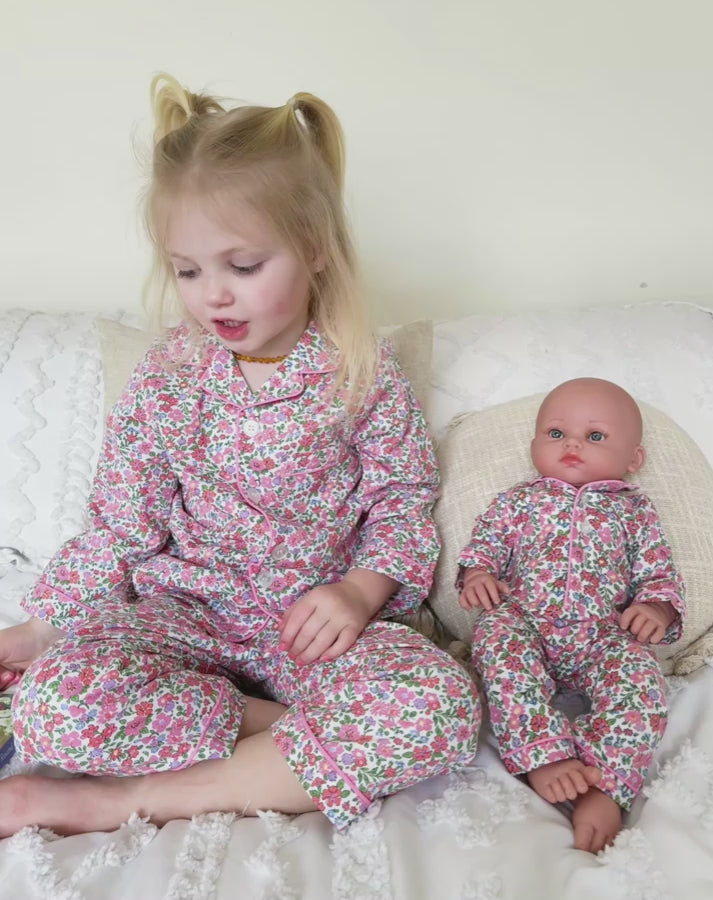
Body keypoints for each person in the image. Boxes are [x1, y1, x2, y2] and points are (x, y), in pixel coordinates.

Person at [0, 73, 480, 837]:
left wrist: (357, 593)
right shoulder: (170, 375)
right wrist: (43, 628)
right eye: (188, 271)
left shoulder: (360, 371)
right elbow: (123, 522)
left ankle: (112, 803)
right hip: (187, 620)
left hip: (318, 633)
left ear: (314, 248)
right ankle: (298, 738)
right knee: (51, 707)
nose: (212, 296)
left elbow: (402, 497)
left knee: (442, 707)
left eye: (242, 267)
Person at [457, 378, 685, 854]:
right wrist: (478, 572)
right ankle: (543, 755)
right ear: (535, 444)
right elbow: (486, 542)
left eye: (595, 436)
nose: (573, 444)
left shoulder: (634, 511)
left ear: (633, 461)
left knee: (641, 679)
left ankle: (605, 786)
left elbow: (657, 570)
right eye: (556, 433)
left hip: (603, 633)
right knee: (497, 640)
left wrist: (656, 608)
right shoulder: (521, 500)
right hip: (527, 621)